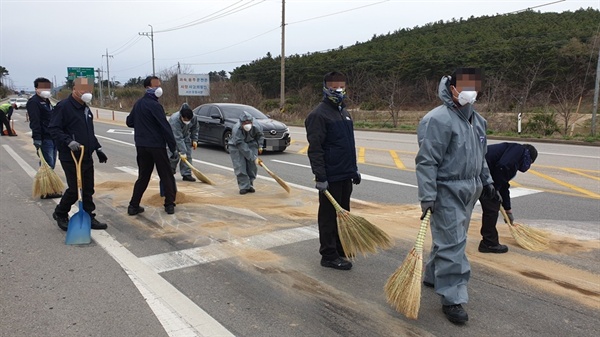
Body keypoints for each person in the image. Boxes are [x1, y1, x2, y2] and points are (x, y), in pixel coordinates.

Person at [415, 67, 495, 324]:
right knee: (453, 244)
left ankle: (432, 275)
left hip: (470, 190)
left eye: (474, 87)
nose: (470, 92)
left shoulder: (478, 121)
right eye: (465, 86)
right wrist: (428, 196)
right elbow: (427, 161)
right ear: (452, 88)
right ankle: (452, 297)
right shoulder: (437, 120)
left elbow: (481, 156)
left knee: (450, 239)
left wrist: (488, 181)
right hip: (446, 190)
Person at [305, 71, 361, 271]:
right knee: (328, 217)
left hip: (345, 174)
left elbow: (348, 145)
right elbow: (316, 149)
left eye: (341, 86)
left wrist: (354, 170)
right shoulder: (318, 115)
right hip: (330, 176)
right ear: (325, 87)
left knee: (343, 213)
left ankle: (340, 247)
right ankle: (328, 254)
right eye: (333, 87)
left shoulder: (344, 113)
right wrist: (320, 176)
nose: (338, 90)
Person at [49, 77, 108, 231]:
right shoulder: (64, 107)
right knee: (75, 189)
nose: (86, 92)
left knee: (88, 188)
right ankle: (60, 213)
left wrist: (98, 148)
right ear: (74, 89)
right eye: (83, 89)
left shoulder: (86, 109)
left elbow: (89, 133)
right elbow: (54, 129)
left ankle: (89, 215)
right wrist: (68, 141)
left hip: (86, 155)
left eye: (89, 89)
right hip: (71, 156)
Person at [126, 76, 178, 215]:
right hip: (156, 145)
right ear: (148, 88)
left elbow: (129, 122)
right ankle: (169, 204)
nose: (159, 88)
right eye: (156, 86)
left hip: (141, 146)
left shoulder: (138, 104)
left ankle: (133, 205)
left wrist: (142, 124)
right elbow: (164, 127)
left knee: (143, 176)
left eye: (159, 85)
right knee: (166, 174)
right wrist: (173, 147)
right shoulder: (155, 106)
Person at [478, 142, 538, 253]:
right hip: (479, 172)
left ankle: (484, 241)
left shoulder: (513, 158)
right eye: (530, 163)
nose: (528, 166)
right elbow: (502, 166)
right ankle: (489, 243)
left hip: (481, 173)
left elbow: (504, 185)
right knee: (492, 207)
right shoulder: (519, 150)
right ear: (529, 157)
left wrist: (508, 209)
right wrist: (494, 187)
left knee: (489, 205)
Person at [28, 77, 62, 198]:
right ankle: (46, 191)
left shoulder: (47, 101)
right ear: (36, 88)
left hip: (52, 137)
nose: (46, 90)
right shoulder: (34, 102)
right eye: (43, 87)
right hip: (44, 138)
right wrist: (37, 138)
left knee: (50, 164)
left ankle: (48, 188)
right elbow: (35, 122)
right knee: (47, 163)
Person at [228, 111, 264, 194]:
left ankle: (250, 184)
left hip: (252, 143)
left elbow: (260, 136)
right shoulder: (236, 129)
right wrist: (254, 157)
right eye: (244, 122)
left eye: (249, 122)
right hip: (236, 146)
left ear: (252, 122)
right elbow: (241, 146)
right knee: (240, 165)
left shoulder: (257, 126)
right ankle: (244, 186)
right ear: (241, 123)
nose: (247, 124)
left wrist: (260, 146)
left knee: (252, 166)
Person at [168, 103, 199, 182]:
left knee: (187, 155)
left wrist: (194, 139)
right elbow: (178, 138)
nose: (187, 121)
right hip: (172, 137)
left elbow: (195, 128)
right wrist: (182, 151)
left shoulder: (194, 117)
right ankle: (170, 171)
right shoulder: (175, 120)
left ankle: (186, 174)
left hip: (185, 137)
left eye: (188, 120)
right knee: (174, 155)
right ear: (181, 116)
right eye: (185, 120)